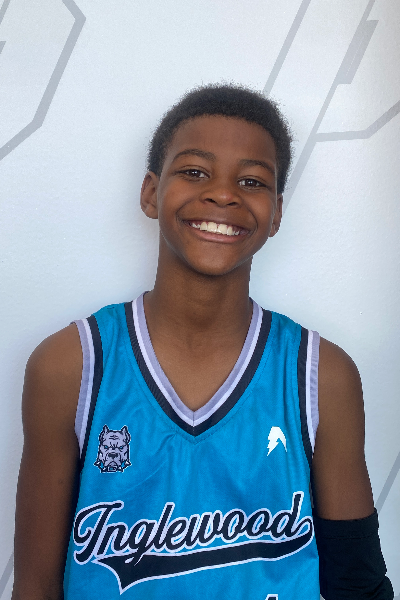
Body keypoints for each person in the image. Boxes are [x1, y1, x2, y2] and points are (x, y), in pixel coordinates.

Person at [12, 85, 393, 600]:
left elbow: (358, 585)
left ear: (276, 213)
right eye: (194, 172)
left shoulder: (320, 376)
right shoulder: (71, 366)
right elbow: (36, 586)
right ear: (151, 192)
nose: (223, 193)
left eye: (251, 181)